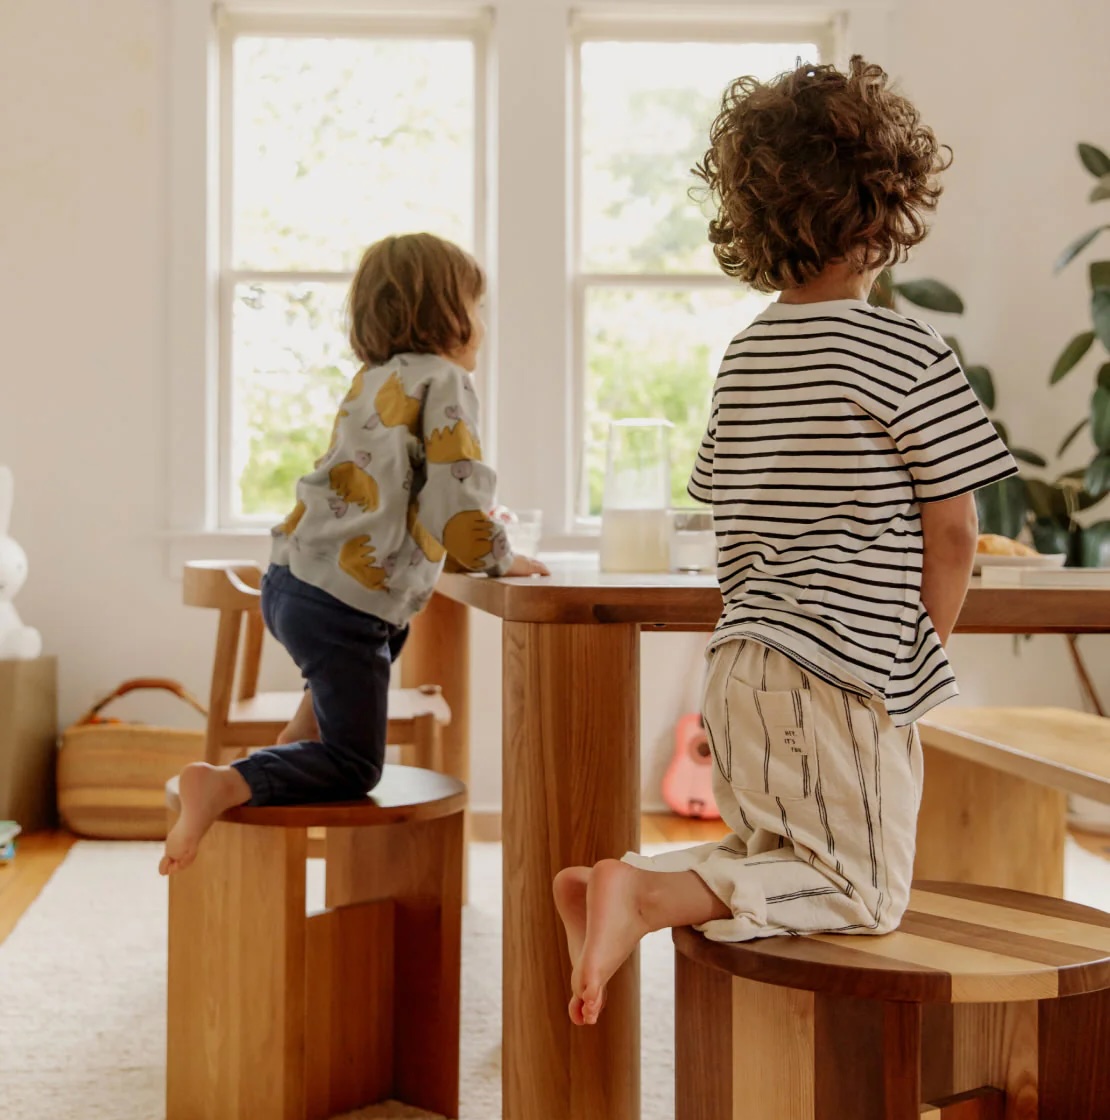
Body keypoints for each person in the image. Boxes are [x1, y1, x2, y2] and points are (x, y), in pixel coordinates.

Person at [555, 56, 1016, 1025]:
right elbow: (957, 531)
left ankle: (635, 881)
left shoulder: (745, 357)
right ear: (886, 210)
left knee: (779, 858)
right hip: (845, 674)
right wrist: (915, 651)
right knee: (864, 891)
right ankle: (641, 894)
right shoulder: (907, 350)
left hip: (744, 664)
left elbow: (732, 528)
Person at [161, 232, 547, 875]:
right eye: (477, 307)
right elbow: (456, 498)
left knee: (363, 665)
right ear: (448, 314)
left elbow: (401, 492)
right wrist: (503, 557)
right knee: (356, 764)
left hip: (296, 581)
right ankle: (223, 784)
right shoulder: (445, 379)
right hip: (343, 604)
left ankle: (282, 757)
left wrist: (467, 533)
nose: (483, 324)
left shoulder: (374, 378)